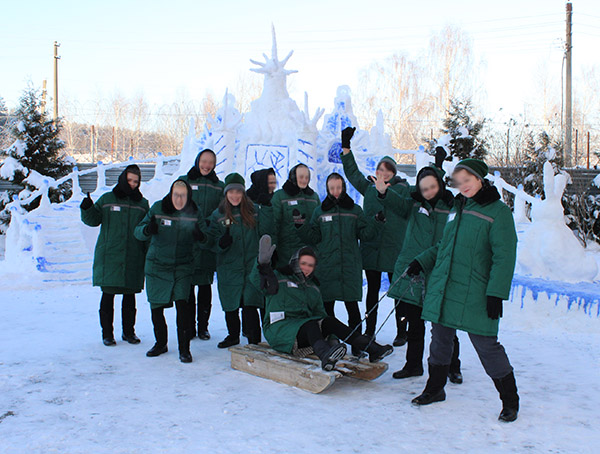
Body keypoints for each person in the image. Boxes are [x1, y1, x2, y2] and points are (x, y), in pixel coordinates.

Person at [406, 158, 520, 422]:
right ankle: (435, 390)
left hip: (477, 291)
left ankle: (510, 401)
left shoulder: (498, 212)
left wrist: (496, 293)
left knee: (486, 346)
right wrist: (420, 261)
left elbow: (505, 256)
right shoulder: (457, 208)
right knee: (440, 340)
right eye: (460, 181)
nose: (464, 186)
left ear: (480, 179)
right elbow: (445, 245)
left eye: (468, 180)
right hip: (446, 286)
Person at [374, 147, 462, 382]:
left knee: (443, 323)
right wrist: (383, 193)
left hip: (439, 270)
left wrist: (438, 165)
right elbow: (396, 203)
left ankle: (453, 366)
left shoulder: (451, 207)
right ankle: (413, 365)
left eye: (433, 187)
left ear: (440, 185)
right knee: (414, 323)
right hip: (413, 269)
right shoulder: (413, 205)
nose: (429, 192)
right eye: (424, 188)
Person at [251, 235, 393, 371]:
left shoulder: (313, 287)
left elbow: (320, 314)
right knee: (311, 324)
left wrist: (332, 338)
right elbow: (257, 282)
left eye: (311, 265)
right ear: (295, 261)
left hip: (304, 331)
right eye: (303, 263)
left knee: (329, 321)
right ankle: (325, 355)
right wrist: (261, 264)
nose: (307, 268)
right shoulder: (278, 277)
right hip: (280, 330)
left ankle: (373, 349)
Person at [296, 172, 384, 356]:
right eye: (332, 188)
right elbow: (314, 237)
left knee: (353, 309)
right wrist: (300, 225)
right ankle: (332, 344)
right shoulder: (320, 211)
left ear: (343, 187)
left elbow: (365, 234)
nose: (336, 191)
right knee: (328, 310)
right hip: (327, 268)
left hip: (350, 268)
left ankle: (357, 346)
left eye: (338, 187)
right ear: (327, 189)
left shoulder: (354, 210)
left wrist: (376, 222)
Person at [340, 126, 411, 346]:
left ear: (394, 172)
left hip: (393, 249)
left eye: (389, 169)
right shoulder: (368, 188)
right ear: (377, 170)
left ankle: (402, 330)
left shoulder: (403, 189)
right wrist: (345, 148)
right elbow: (352, 174)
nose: (385, 171)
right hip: (371, 247)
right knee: (371, 292)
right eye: (382, 168)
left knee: (397, 291)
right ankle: (370, 331)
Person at [134, 179, 207, 363]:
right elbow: (138, 231)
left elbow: (207, 239)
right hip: (157, 265)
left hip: (182, 266)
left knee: (182, 306)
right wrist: (147, 230)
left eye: (183, 195)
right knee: (156, 307)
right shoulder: (158, 208)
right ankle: (161, 343)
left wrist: (201, 236)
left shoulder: (194, 212)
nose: (179, 199)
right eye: (176, 194)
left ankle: (184, 349)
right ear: (170, 193)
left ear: (188, 196)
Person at [80, 164, 149, 346]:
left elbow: (146, 229)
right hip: (110, 255)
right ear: (122, 179)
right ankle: (107, 334)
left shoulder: (142, 204)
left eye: (136, 181)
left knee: (129, 297)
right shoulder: (107, 199)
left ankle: (129, 332)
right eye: (129, 180)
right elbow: (93, 220)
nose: (133, 184)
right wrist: (87, 208)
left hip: (133, 255)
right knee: (108, 296)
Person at [205, 173, 270, 349]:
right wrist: (220, 243)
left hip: (251, 267)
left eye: (238, 192)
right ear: (226, 194)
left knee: (250, 304)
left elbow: (265, 232)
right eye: (231, 192)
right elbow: (210, 241)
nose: (235, 196)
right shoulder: (218, 215)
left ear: (243, 193)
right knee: (231, 305)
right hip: (229, 268)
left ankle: (254, 341)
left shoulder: (254, 211)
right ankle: (233, 335)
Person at [178, 149, 225, 341]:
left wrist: (208, 225)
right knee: (187, 287)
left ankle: (203, 327)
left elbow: (223, 211)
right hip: (187, 240)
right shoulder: (185, 181)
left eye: (210, 163)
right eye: (204, 161)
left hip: (207, 241)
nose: (206, 166)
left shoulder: (218, 186)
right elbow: (176, 204)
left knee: (205, 287)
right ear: (198, 161)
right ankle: (188, 327)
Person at [271, 164, 320, 269]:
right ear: (293, 176)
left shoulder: (314, 197)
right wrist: (273, 250)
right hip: (286, 256)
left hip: (310, 256)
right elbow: (274, 225)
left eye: (307, 177)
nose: (304, 180)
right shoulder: (279, 196)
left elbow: (319, 224)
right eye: (301, 177)